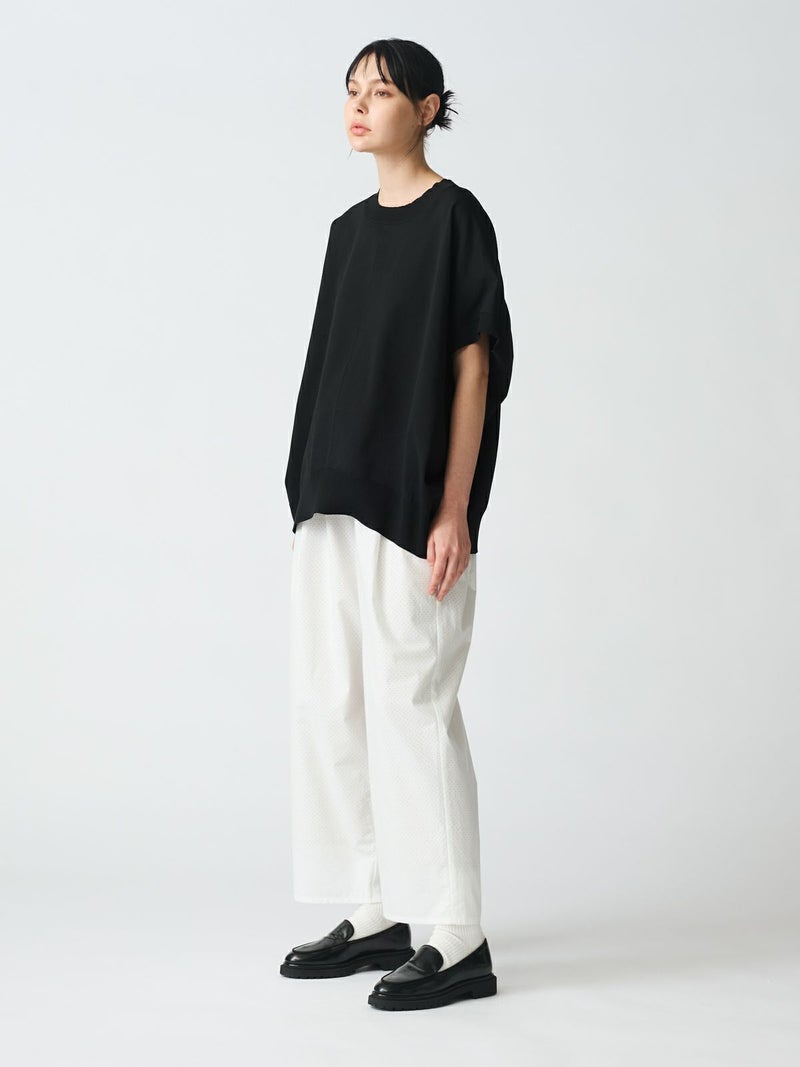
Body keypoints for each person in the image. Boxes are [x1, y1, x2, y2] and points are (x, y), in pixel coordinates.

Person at [280, 38, 513, 1011]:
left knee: (413, 702)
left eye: (380, 90)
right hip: (330, 496)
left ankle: (456, 932)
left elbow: (473, 364)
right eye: (351, 90)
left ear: (426, 108)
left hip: (411, 502)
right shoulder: (346, 231)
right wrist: (302, 489)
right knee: (333, 701)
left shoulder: (457, 218)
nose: (359, 104)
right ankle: (375, 906)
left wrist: (454, 506)